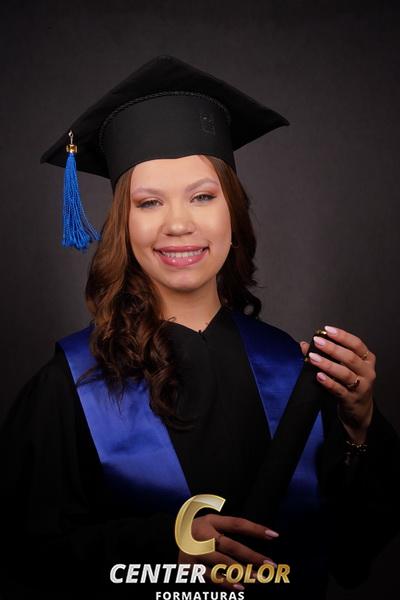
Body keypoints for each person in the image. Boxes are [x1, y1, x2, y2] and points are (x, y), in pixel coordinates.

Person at [1, 55, 399, 600]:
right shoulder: (72, 384)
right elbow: (26, 556)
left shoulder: (294, 368)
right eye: (149, 203)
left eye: (203, 196)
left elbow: (353, 552)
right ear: (124, 226)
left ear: (231, 211)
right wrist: (162, 548)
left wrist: (359, 426)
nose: (178, 223)